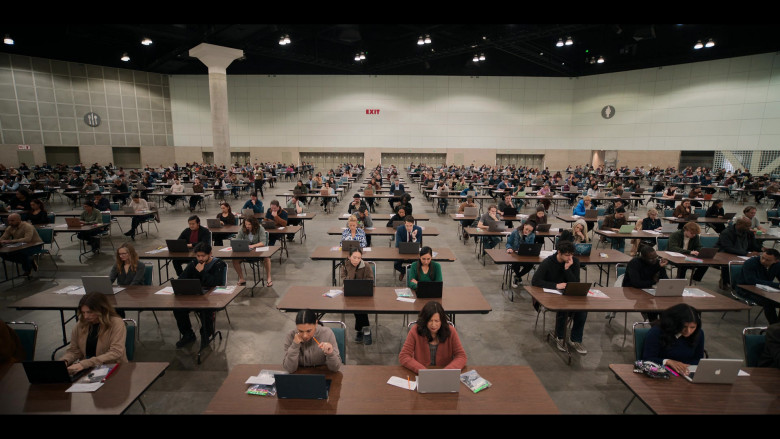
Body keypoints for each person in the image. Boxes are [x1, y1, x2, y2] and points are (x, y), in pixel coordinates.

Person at [531, 240, 588, 354]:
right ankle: (560, 336)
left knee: (582, 310)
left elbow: (575, 282)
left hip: (567, 293)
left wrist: (567, 269)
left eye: (572, 254)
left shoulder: (574, 262)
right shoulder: (548, 262)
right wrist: (555, 285)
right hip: (549, 293)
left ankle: (575, 339)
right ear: (559, 253)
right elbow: (535, 281)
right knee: (563, 308)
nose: (570, 257)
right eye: (567, 255)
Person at [58, 292, 128, 374]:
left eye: (89, 312)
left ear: (101, 310)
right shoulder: (81, 324)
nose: (85, 316)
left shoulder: (116, 323)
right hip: (88, 369)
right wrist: (65, 360)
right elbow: (74, 350)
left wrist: (85, 364)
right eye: (83, 312)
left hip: (113, 369)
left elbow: (116, 352)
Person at [174, 242, 227, 349]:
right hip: (195, 294)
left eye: (203, 256)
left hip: (212, 296)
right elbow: (182, 278)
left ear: (210, 254)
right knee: (178, 309)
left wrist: (202, 272)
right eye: (198, 256)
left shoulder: (219, 264)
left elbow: (217, 283)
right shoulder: (194, 263)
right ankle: (188, 334)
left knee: (205, 310)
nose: (200, 258)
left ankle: (206, 333)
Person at [399, 301, 467, 374]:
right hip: (422, 374)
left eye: (437, 321)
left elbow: (461, 356)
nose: (433, 325)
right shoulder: (415, 331)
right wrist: (422, 370)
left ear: (442, 321)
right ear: (425, 320)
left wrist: (447, 371)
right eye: (430, 321)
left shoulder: (451, 331)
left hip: (445, 374)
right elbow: (404, 356)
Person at [641, 304, 704, 376]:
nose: (688, 331)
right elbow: (647, 359)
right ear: (675, 323)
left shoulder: (699, 333)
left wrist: (686, 368)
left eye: (692, 327)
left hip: (686, 372)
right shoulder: (657, 332)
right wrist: (667, 361)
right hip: (662, 372)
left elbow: (698, 359)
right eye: (684, 326)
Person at [282, 309, 341, 373]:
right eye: (301, 331)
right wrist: (295, 345)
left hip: (323, 374)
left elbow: (335, 368)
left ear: (316, 323)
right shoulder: (291, 335)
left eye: (309, 331)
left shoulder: (327, 333)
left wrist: (330, 353)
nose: (305, 336)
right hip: (299, 376)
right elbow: (289, 369)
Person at [716, 217, 764, 289]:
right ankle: (725, 280)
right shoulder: (726, 232)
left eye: (749, 226)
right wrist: (746, 253)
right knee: (728, 261)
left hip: (744, 252)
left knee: (759, 261)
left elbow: (754, 245)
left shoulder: (749, 233)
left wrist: (762, 249)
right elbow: (727, 248)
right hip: (726, 252)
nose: (749, 228)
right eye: (746, 226)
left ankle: (752, 281)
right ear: (739, 224)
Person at [734, 249, 780, 324]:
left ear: (776, 261)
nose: (763, 261)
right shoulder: (751, 263)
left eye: (768, 260)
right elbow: (751, 281)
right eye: (763, 257)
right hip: (746, 289)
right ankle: (774, 327)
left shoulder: (777, 265)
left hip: (765, 290)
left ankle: (778, 325)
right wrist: (776, 285)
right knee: (768, 302)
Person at [623, 245, 670, 321]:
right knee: (652, 308)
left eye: (656, 257)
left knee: (664, 306)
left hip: (649, 288)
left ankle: (662, 326)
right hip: (632, 289)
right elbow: (636, 283)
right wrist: (654, 281)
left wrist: (661, 268)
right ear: (643, 258)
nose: (654, 260)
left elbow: (665, 279)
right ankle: (653, 323)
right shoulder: (634, 263)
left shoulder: (656, 263)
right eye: (651, 259)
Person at [340, 248, 374, 343]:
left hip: (364, 292)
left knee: (359, 308)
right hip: (350, 292)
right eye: (354, 257)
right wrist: (352, 269)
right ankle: (365, 329)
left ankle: (360, 330)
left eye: (359, 258)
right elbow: (344, 279)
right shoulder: (345, 265)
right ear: (349, 257)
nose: (356, 260)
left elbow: (370, 279)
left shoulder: (366, 265)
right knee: (358, 308)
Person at [232, 216, 272, 287]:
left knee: (267, 258)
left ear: (253, 224)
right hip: (246, 251)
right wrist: (235, 243)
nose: (247, 226)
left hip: (258, 250)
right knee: (235, 260)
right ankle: (241, 278)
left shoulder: (260, 229)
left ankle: (269, 278)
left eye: (249, 224)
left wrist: (253, 246)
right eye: (246, 224)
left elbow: (263, 242)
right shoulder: (243, 228)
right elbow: (237, 239)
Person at [0, 213, 43, 277]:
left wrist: (10, 241)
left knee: (22, 254)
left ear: (19, 220)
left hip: (34, 245)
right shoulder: (10, 227)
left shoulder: (27, 226)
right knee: (3, 254)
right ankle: (30, 261)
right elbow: (3, 238)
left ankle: (27, 270)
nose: (10, 223)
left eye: (12, 221)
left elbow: (27, 239)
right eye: (9, 221)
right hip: (20, 245)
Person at [506, 220, 537, 286]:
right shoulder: (515, 232)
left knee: (530, 264)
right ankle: (518, 277)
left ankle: (517, 276)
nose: (527, 231)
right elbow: (509, 243)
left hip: (525, 254)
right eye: (526, 229)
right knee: (516, 264)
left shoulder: (532, 235)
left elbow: (530, 247)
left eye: (530, 231)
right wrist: (509, 248)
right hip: (514, 254)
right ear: (524, 225)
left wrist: (525, 239)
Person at [394, 215, 422, 280]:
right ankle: (405, 271)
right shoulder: (400, 229)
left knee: (418, 264)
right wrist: (405, 255)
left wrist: (413, 237)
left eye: (411, 225)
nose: (409, 228)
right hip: (402, 253)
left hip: (413, 253)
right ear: (404, 224)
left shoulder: (418, 230)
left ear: (413, 224)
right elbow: (398, 244)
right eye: (407, 226)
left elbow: (417, 245)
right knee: (396, 265)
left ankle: (410, 272)